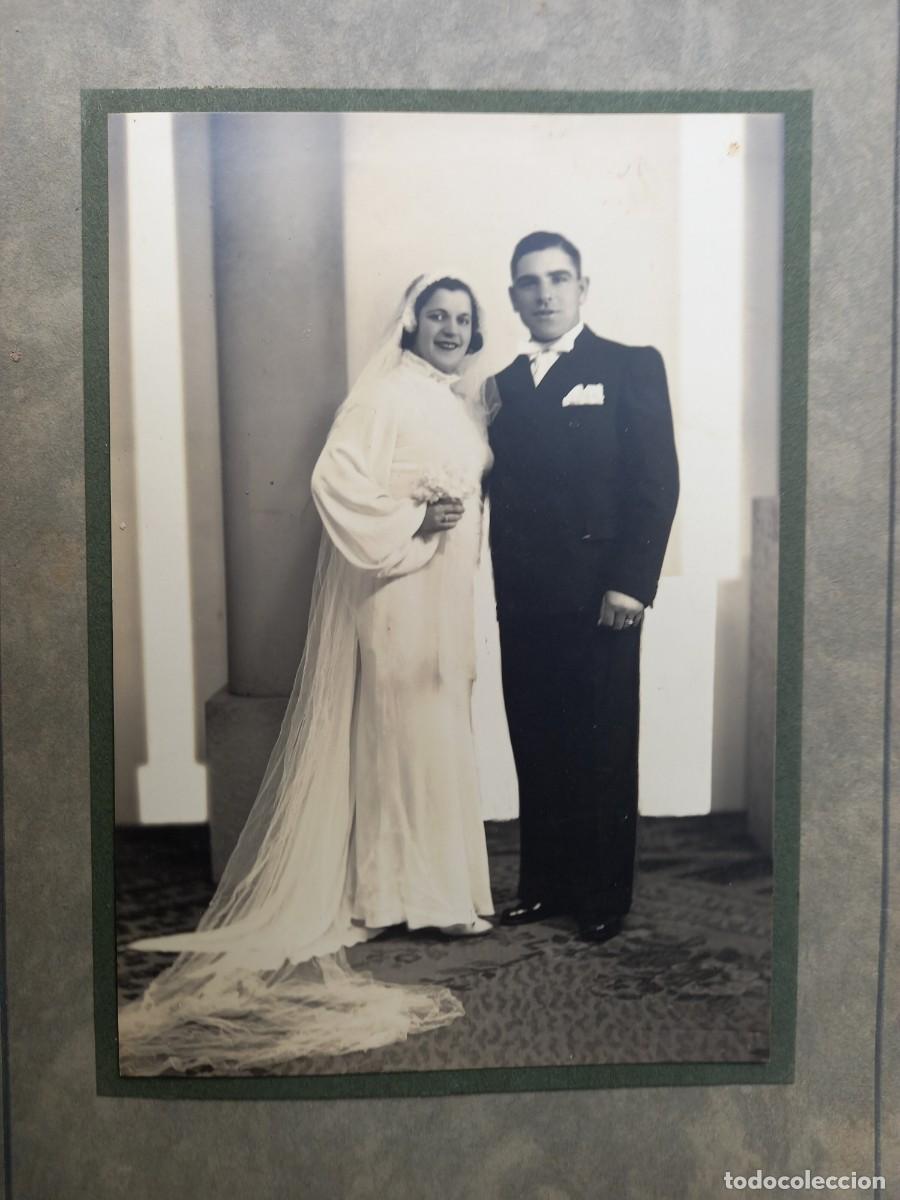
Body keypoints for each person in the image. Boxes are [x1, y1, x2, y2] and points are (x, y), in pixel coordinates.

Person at [119, 274, 497, 1074]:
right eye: (439, 316)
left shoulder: (454, 401)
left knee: (439, 726)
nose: (452, 329)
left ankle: (437, 894)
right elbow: (334, 480)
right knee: (399, 735)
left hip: (447, 597)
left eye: (463, 319)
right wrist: (414, 520)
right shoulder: (383, 395)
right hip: (397, 592)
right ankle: (395, 896)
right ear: (411, 323)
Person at [486, 231, 679, 945]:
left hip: (602, 598)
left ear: (582, 289)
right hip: (526, 598)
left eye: (558, 279)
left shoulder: (629, 366)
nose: (544, 293)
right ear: (512, 297)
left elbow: (657, 482)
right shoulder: (500, 384)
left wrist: (633, 584)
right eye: (529, 282)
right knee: (536, 744)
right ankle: (544, 885)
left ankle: (602, 894)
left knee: (601, 747)